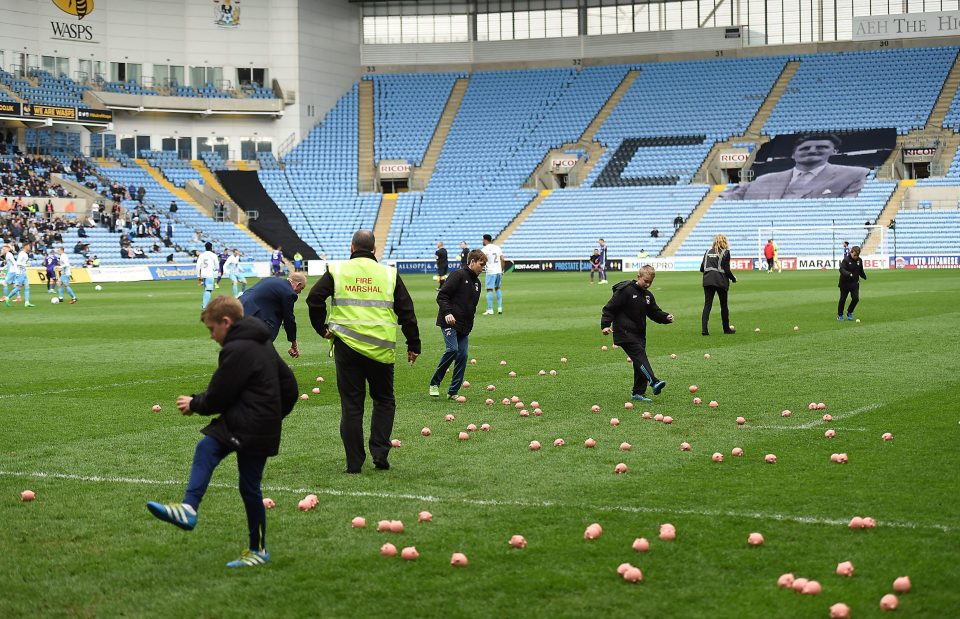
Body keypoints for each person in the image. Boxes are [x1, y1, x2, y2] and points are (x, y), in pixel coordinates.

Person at [146, 296, 298, 569]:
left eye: (212, 329)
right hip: (261, 424)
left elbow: (219, 394)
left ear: (226, 322)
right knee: (249, 486)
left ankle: (189, 509)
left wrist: (194, 403)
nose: (212, 336)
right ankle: (258, 550)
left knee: (208, 448)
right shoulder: (263, 341)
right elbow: (290, 387)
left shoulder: (237, 348)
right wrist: (274, 417)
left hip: (248, 422)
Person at [305, 229, 420, 474]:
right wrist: (414, 344)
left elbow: (314, 298)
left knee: (352, 405)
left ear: (351, 247)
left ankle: (354, 463)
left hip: (347, 347)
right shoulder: (389, 274)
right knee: (384, 401)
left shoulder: (337, 270)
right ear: (374, 249)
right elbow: (407, 311)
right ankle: (380, 453)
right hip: (381, 348)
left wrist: (321, 328)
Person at [600, 265, 673, 402]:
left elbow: (654, 312)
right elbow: (610, 308)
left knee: (639, 361)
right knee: (639, 356)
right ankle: (654, 381)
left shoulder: (647, 295)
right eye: (645, 281)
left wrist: (665, 317)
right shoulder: (625, 291)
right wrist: (605, 325)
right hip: (624, 332)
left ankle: (637, 393)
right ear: (638, 276)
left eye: (650, 282)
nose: (648, 284)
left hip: (639, 333)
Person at [720, 134, 868, 200]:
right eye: (805, 148)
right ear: (793, 155)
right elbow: (731, 197)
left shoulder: (856, 174)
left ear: (834, 151)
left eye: (821, 147)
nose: (812, 150)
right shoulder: (763, 180)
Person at [428, 249, 486, 400]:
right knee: (452, 349)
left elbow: (471, 308)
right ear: (472, 262)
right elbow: (442, 295)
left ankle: (453, 391)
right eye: (481, 264)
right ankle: (435, 383)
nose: (483, 267)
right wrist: (447, 313)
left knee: (463, 355)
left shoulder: (477, 284)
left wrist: (468, 327)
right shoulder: (458, 275)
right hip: (448, 320)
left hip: (463, 326)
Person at [239, 272, 306, 358]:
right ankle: (271, 365)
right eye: (301, 288)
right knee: (268, 333)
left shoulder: (270, 279)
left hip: (240, 305)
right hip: (254, 313)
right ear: (298, 284)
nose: (299, 292)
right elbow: (289, 319)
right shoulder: (289, 293)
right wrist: (294, 343)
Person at [700, 234, 737, 336]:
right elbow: (726, 269)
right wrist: (733, 279)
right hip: (720, 281)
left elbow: (702, 268)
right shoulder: (726, 252)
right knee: (723, 305)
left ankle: (704, 330)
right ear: (724, 242)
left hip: (707, 281)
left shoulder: (707, 252)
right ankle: (726, 329)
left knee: (707, 305)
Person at [837, 245, 866, 321]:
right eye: (855, 255)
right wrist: (849, 274)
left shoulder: (859, 260)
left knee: (856, 299)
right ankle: (840, 315)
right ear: (851, 252)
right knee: (843, 299)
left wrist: (864, 276)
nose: (856, 257)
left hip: (854, 283)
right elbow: (841, 269)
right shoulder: (846, 260)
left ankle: (849, 312)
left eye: (858, 255)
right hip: (844, 283)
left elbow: (860, 270)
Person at [481, 234, 505, 315]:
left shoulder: (484, 249)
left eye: (482, 240)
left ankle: (490, 309)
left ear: (485, 240)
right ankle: (500, 308)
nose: (482, 241)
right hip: (498, 271)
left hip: (491, 271)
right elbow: (502, 259)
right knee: (498, 288)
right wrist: (501, 270)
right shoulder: (497, 247)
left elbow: (482, 260)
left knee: (489, 289)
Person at [5, 242, 34, 307]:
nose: (29, 247)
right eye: (28, 246)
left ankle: (27, 302)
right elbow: (18, 263)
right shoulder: (21, 253)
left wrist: (27, 263)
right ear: (25, 246)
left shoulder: (26, 254)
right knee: (18, 288)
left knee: (27, 287)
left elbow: (23, 263)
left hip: (24, 273)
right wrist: (26, 265)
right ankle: (8, 297)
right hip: (20, 273)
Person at [196, 242, 219, 310]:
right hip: (209, 274)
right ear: (211, 247)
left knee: (207, 290)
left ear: (205, 247)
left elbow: (197, 266)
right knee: (208, 290)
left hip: (203, 274)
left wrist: (198, 276)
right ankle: (204, 306)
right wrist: (214, 269)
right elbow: (217, 266)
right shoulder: (214, 255)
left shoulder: (202, 255)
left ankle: (204, 304)